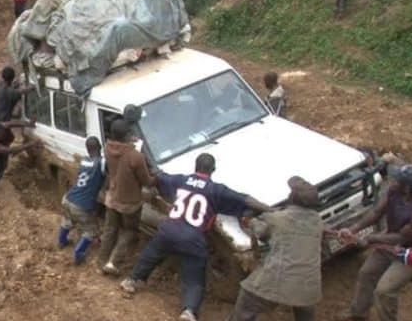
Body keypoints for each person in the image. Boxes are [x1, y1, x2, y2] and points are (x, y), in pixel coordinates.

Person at [119, 153, 270, 321]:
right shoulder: (217, 190)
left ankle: (131, 281)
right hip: (193, 237)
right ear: (213, 170)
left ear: (195, 166)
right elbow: (246, 200)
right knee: (194, 274)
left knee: (151, 253)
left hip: (169, 229)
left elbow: (159, 178)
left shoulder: (180, 180)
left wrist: (150, 174)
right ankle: (189, 311)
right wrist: (269, 209)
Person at [228, 177, 324, 321]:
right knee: (304, 305)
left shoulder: (277, 219)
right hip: (310, 286)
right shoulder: (318, 221)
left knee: (246, 300)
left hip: (278, 279)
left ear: (293, 198)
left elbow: (261, 233)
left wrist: (250, 221)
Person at [335, 164, 412, 321]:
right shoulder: (393, 191)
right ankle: (358, 314)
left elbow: (402, 238)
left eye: (397, 179)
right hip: (389, 243)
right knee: (366, 274)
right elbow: (376, 212)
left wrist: (370, 239)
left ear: (407, 188)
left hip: (410, 254)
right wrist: (353, 229)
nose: (393, 180)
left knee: (384, 290)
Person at [98, 119, 156, 276]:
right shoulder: (135, 156)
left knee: (110, 229)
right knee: (129, 231)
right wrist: (155, 177)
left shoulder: (108, 148)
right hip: (130, 202)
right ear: (128, 135)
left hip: (112, 197)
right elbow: (146, 181)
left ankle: (101, 261)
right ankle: (113, 263)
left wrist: (130, 143)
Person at [57, 136, 105, 264]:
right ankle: (78, 254)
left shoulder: (84, 161)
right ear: (100, 147)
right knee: (90, 230)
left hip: (68, 198)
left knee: (67, 220)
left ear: (87, 149)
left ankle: (61, 242)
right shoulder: (101, 162)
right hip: (80, 205)